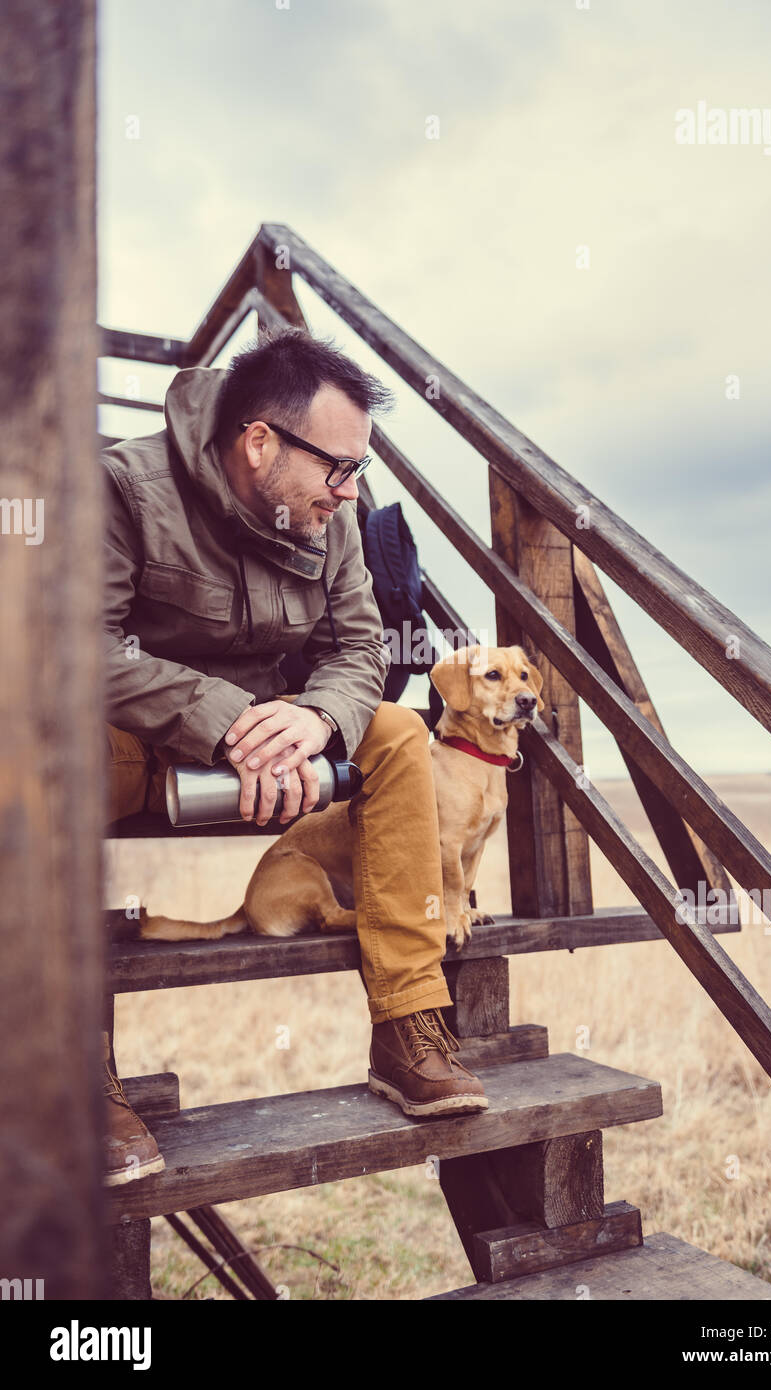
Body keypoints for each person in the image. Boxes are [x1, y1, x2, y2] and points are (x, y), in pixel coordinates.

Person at [101, 327, 487, 1187]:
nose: (350, 495)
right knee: (35, 757)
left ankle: (408, 1025)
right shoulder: (122, 485)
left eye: (359, 472)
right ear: (260, 441)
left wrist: (319, 716)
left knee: (390, 730)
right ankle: (68, 1066)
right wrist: (226, 716)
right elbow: (79, 646)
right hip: (141, 743)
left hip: (283, 744)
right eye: (338, 469)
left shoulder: (333, 518)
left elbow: (361, 649)